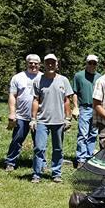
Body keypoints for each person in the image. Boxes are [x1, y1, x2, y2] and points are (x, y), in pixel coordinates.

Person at [30, 54, 74, 183]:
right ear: (44, 64)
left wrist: (68, 118)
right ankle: (37, 174)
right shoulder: (38, 80)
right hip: (42, 120)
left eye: (53, 62)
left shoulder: (63, 80)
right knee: (39, 148)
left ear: (57, 64)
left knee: (58, 149)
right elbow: (35, 100)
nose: (50, 65)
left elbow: (67, 100)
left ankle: (56, 173)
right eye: (48, 62)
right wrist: (33, 119)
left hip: (59, 121)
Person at [4, 54, 40, 171]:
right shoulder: (18, 77)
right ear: (26, 63)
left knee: (39, 142)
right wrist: (12, 112)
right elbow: (12, 96)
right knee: (17, 140)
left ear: (39, 65)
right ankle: (10, 162)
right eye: (31, 63)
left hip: (39, 117)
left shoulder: (43, 77)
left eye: (36, 63)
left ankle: (40, 164)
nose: (33, 65)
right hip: (21, 115)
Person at [71, 54, 100, 168]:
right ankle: (81, 159)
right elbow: (75, 92)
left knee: (93, 134)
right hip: (84, 108)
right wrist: (75, 107)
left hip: (97, 108)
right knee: (83, 134)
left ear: (97, 64)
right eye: (90, 63)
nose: (92, 65)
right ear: (86, 63)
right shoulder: (79, 76)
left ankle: (89, 157)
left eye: (94, 63)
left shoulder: (100, 77)